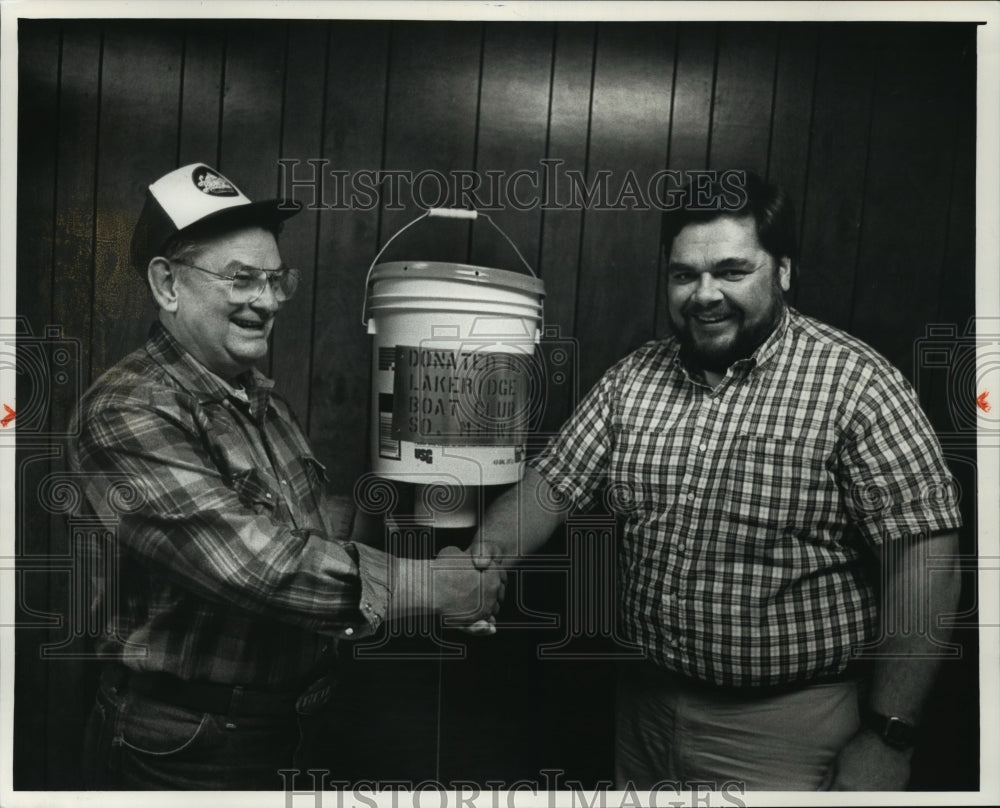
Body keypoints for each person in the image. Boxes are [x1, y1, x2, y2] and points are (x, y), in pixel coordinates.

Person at [472, 171, 962, 791]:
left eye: (732, 271)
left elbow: (926, 560)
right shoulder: (633, 379)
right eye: (685, 275)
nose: (704, 295)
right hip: (645, 711)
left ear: (783, 271)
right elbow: (551, 484)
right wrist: (481, 562)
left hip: (789, 729)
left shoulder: (857, 384)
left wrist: (890, 736)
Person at [69, 163, 504, 790]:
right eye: (242, 279)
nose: (269, 301)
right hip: (184, 747)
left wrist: (433, 508)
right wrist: (434, 588)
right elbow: (257, 566)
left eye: (277, 280)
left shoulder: (261, 402)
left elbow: (306, 527)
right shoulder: (125, 410)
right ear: (167, 284)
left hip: (291, 728)